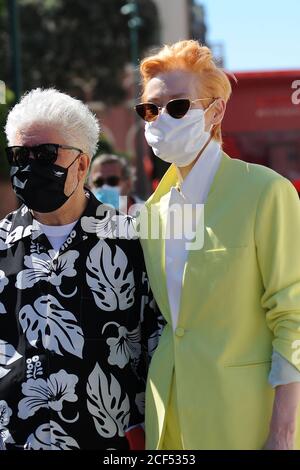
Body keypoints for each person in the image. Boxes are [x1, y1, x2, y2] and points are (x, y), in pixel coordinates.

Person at [135, 40, 300, 450]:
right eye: (151, 109)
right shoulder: (151, 211)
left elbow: (294, 316)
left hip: (246, 421)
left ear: (216, 111)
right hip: (169, 419)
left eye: (177, 106)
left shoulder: (265, 192)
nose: (161, 118)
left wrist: (282, 432)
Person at [0, 88, 162, 450]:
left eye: (44, 154)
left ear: (83, 164)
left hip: (110, 443)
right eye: (19, 154)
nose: (29, 165)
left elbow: (156, 342)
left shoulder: (134, 241)